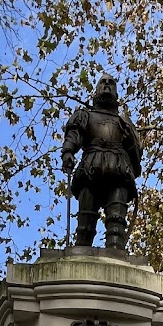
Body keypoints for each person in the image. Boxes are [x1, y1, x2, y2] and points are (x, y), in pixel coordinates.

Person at [61, 74, 142, 250]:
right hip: (91, 167)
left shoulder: (125, 123)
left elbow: (136, 154)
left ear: (116, 92)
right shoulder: (84, 116)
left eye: (111, 83)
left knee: (117, 219)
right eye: (103, 82)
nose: (107, 85)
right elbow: (74, 135)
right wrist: (68, 151)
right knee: (86, 220)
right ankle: (81, 254)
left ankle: (116, 255)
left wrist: (130, 142)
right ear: (96, 90)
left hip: (119, 170)